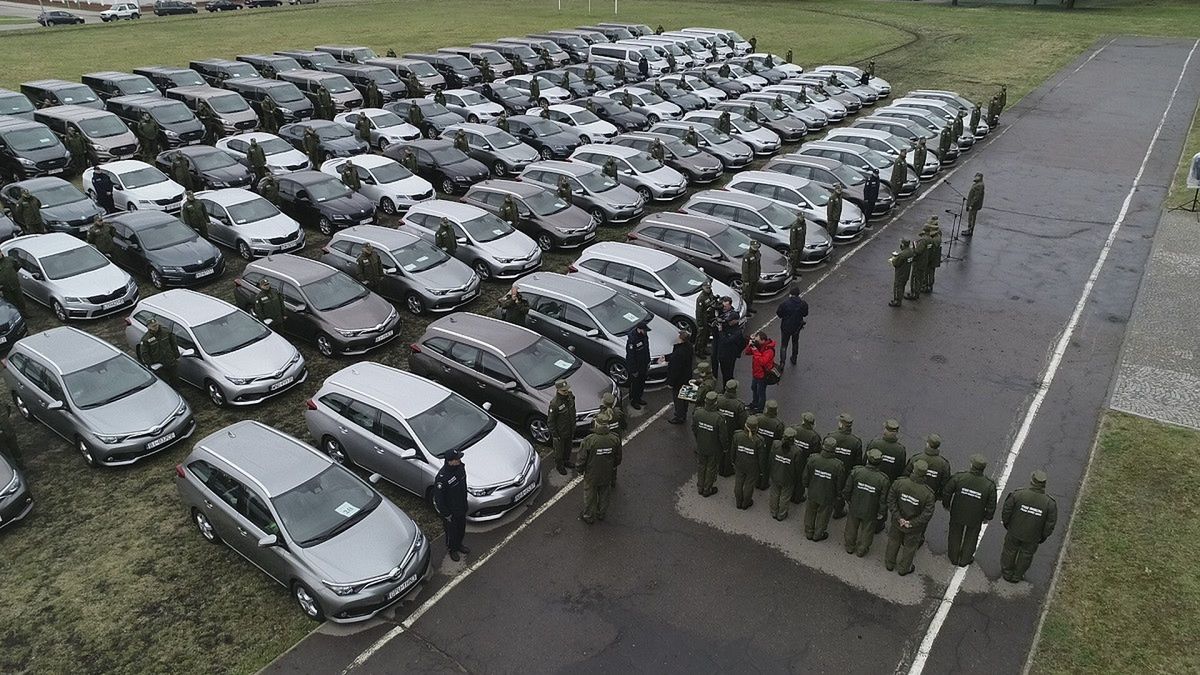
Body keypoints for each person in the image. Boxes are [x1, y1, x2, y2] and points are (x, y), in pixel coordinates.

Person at [1001, 471, 1057, 583]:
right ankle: (1017, 575)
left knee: (1009, 551)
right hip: (1033, 536)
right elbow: (1050, 523)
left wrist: (1007, 524)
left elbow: (1006, 511)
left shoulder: (1018, 494)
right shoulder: (1049, 503)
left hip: (1014, 531)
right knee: (1026, 555)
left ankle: (1007, 573)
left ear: (1032, 481)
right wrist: (1043, 536)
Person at [943, 454, 998, 567]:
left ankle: (953, 557)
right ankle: (965, 560)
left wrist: (946, 505)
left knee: (955, 534)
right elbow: (991, 504)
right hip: (976, 516)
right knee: (971, 537)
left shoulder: (960, 477)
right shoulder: (989, 485)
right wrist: (987, 517)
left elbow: (947, 491)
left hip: (958, 512)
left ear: (971, 465)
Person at [884, 460, 936, 575]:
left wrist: (898, 517)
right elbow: (927, 514)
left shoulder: (899, 483)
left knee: (893, 541)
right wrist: (911, 523)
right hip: (914, 528)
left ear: (914, 470)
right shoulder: (928, 494)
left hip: (897, 522)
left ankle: (889, 563)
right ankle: (903, 569)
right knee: (910, 547)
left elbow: (891, 500)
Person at [843, 449, 891, 556]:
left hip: (855, 504)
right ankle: (861, 550)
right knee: (867, 530)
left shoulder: (856, 472)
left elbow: (847, 489)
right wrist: (881, 512)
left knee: (851, 526)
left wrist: (848, 500)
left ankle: (849, 546)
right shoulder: (883, 479)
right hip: (871, 509)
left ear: (868, 460)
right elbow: (883, 500)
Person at [578, 413, 620, 524]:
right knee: (604, 494)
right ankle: (601, 513)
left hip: (592, 474)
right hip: (607, 473)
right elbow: (618, 457)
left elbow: (582, 458)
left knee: (590, 496)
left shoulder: (589, 440)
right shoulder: (614, 439)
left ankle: (588, 515)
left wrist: (580, 470)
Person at [802, 437, 846, 541]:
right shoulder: (838, 465)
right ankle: (818, 534)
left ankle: (809, 532)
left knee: (810, 511)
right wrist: (838, 494)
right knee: (823, 515)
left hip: (813, 491)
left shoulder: (813, 459)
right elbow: (839, 483)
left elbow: (805, 476)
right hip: (828, 494)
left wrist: (806, 485)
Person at [432, 449, 469, 561]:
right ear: (450, 461)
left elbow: (464, 485)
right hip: (450, 513)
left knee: (461, 529)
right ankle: (452, 549)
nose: (459, 460)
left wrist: (465, 503)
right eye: (457, 459)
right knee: (451, 533)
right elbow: (439, 499)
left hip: (461, 507)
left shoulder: (460, 468)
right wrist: (446, 514)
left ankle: (459, 545)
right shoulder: (442, 478)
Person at [825, 413, 863, 519]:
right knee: (840, 493)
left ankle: (827, 507)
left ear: (841, 425)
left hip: (830, 468)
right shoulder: (855, 442)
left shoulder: (831, 436)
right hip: (845, 472)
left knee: (828, 488)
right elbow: (858, 462)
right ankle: (838, 511)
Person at [692, 391, 723, 497]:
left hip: (701, 444)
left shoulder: (698, 413)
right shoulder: (719, 417)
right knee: (711, 468)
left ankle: (700, 486)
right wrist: (725, 447)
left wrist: (698, 439)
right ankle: (707, 489)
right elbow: (722, 436)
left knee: (701, 465)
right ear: (715, 403)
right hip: (713, 447)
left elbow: (694, 428)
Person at [715, 379, 746, 478]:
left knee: (720, 446)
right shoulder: (738, 404)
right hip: (732, 429)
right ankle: (726, 470)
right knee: (729, 450)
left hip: (719, 427)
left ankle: (719, 465)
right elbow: (743, 421)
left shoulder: (718, 399)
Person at [731, 415, 763, 510]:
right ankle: (746, 503)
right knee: (749, 484)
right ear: (756, 428)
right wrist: (761, 470)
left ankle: (738, 501)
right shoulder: (759, 440)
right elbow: (761, 458)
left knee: (738, 482)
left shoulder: (737, 435)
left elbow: (733, 450)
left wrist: (733, 461)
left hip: (740, 463)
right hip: (752, 466)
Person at [905, 434, 952, 499]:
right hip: (930, 496)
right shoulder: (944, 464)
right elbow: (945, 483)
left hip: (912, 493)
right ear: (938, 447)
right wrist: (938, 496)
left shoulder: (916, 458)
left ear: (927, 444)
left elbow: (905, 475)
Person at [768, 427, 799, 520]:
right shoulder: (796, 451)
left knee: (774, 493)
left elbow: (771, 459)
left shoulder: (775, 444)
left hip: (775, 473)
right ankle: (781, 514)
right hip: (788, 477)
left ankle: (773, 511)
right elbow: (797, 467)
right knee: (785, 496)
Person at [136, 318, 180, 384]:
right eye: (153, 326)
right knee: (165, 382)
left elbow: (173, 344)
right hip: (159, 365)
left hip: (170, 361)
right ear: (148, 327)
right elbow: (144, 353)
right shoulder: (146, 339)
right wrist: (150, 364)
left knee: (175, 380)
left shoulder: (166, 332)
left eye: (156, 325)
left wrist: (176, 355)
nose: (156, 327)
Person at [774, 286, 808, 367]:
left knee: (784, 345)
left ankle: (782, 363)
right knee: (795, 342)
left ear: (790, 294)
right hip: (797, 327)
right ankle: (794, 358)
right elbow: (805, 314)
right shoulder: (803, 303)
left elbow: (779, 314)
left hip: (785, 327)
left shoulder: (784, 304)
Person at [755, 400, 785, 490]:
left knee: (757, 462)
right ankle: (764, 483)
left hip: (758, 445)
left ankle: (756, 481)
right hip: (770, 447)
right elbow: (780, 438)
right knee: (766, 466)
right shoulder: (778, 424)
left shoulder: (758, 418)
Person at [547, 380, 576, 475]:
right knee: (559, 452)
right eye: (564, 390)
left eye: (567, 389)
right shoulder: (555, 404)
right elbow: (550, 421)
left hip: (570, 430)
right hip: (560, 433)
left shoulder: (570, 397)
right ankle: (560, 466)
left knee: (568, 449)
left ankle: (566, 461)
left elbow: (573, 411)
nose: (566, 391)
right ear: (558, 390)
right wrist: (555, 435)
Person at [791, 412, 820, 504]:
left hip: (792, 457)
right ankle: (798, 497)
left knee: (791, 476)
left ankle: (790, 494)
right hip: (804, 461)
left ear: (803, 421)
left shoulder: (794, 428)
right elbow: (816, 452)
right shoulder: (815, 436)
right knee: (800, 480)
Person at [714, 296, 743, 386]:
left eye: (730, 320)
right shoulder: (726, 320)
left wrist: (721, 331)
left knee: (728, 374)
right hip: (723, 353)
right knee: (724, 373)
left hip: (729, 355)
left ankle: (728, 388)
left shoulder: (737, 332)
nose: (728, 322)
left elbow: (726, 341)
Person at [866, 419, 907, 483]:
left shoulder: (874, 443)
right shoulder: (900, 450)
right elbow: (900, 471)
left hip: (870, 480)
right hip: (888, 483)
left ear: (885, 430)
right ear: (896, 433)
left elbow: (864, 462)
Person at [743, 331, 775, 414]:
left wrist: (755, 350)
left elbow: (762, 362)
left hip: (763, 375)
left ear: (763, 340)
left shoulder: (769, 350)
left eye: (757, 340)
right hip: (756, 372)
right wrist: (751, 345)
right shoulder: (758, 346)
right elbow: (747, 352)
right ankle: (754, 403)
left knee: (761, 392)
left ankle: (760, 408)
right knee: (754, 388)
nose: (756, 342)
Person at [666, 329, 694, 424]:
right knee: (685, 397)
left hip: (679, 381)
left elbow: (675, 370)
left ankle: (679, 417)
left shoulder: (678, 353)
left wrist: (670, 382)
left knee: (678, 399)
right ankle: (684, 413)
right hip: (687, 377)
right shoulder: (689, 347)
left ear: (681, 339)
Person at [625, 320, 652, 409]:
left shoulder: (644, 336)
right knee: (635, 385)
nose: (645, 332)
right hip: (636, 368)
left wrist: (648, 361)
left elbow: (646, 349)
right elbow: (631, 357)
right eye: (644, 330)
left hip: (643, 365)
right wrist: (634, 370)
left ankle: (639, 398)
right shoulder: (632, 340)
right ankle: (634, 401)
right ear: (639, 329)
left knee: (641, 384)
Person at [694, 281, 719, 358]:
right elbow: (698, 312)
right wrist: (700, 324)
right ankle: (699, 351)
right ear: (703, 288)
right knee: (701, 337)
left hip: (709, 318)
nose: (708, 289)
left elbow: (711, 302)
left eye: (709, 288)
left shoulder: (710, 293)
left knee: (707, 335)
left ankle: (704, 349)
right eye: (707, 288)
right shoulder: (701, 298)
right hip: (703, 319)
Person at [888, 238, 915, 308]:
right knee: (902, 286)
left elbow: (896, 263)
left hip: (900, 273)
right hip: (907, 272)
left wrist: (893, 259)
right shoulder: (911, 251)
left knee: (897, 286)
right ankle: (900, 298)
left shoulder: (903, 254)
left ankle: (897, 301)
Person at [908, 226, 930, 301]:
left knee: (915, 278)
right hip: (924, 261)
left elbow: (918, 251)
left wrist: (914, 247)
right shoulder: (929, 239)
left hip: (919, 262)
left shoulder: (923, 241)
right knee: (920, 278)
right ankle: (917, 293)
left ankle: (914, 293)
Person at [0, 400, 23, 469]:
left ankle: (21, 465)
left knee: (16, 450)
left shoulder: (2, 404)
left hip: (9, 431)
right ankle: (12, 469)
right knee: (6, 455)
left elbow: (8, 409)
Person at [741, 239, 761, 314]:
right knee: (746, 295)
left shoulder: (757, 253)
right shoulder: (747, 256)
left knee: (752, 295)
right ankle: (745, 311)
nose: (755, 248)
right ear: (751, 246)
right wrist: (746, 281)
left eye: (756, 246)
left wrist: (758, 275)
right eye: (754, 246)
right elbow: (745, 270)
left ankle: (749, 307)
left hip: (755, 278)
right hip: (748, 280)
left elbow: (758, 265)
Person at [924, 218, 942, 293]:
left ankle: (927, 285)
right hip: (936, 256)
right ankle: (930, 285)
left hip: (932, 256)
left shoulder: (934, 240)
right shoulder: (939, 234)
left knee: (928, 271)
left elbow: (931, 250)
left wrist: (927, 259)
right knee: (932, 272)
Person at [965, 173, 985, 237]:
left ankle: (970, 230)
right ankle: (969, 229)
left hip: (974, 206)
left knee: (972, 218)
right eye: (975, 176)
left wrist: (971, 205)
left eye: (977, 176)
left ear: (980, 177)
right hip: (972, 204)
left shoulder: (979, 185)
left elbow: (976, 197)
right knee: (970, 217)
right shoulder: (977, 184)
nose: (975, 177)